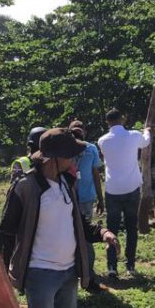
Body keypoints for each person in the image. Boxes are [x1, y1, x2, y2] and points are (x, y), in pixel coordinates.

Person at [0, 128, 119, 308]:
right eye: (72, 154)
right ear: (54, 157)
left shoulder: (67, 183)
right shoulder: (26, 187)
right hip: (40, 273)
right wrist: (2, 274)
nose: (76, 157)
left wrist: (102, 232)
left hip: (67, 273)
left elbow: (79, 223)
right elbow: (5, 232)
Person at [97, 108, 152, 279]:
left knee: (112, 229)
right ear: (123, 119)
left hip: (113, 189)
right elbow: (146, 142)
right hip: (131, 187)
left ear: (107, 122)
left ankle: (112, 266)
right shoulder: (134, 135)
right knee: (131, 228)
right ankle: (130, 265)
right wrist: (147, 130)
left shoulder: (102, 141)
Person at [70, 120, 105, 292]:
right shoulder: (65, 150)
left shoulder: (91, 148)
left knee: (84, 238)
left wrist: (101, 198)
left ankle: (87, 275)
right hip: (69, 199)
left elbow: (95, 174)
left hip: (85, 198)